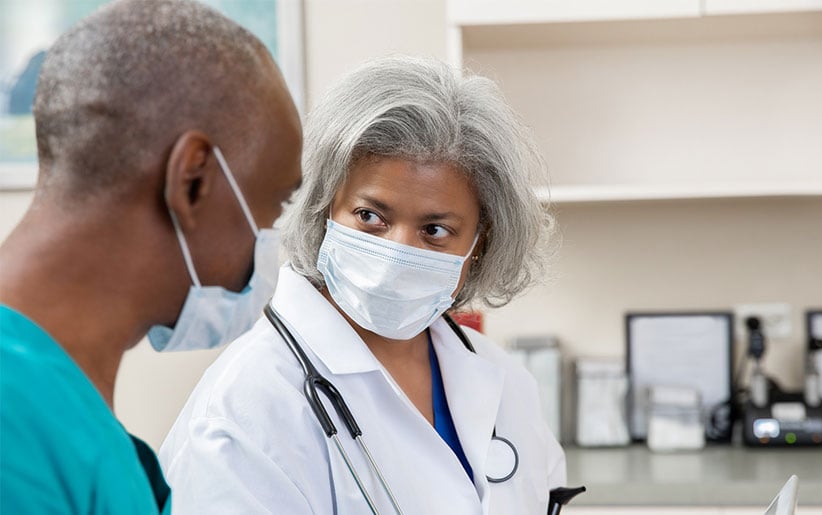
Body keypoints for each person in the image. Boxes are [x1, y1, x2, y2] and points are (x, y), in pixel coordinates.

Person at [161, 55, 565, 514]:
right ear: (323, 207)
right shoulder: (245, 408)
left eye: (435, 231)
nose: (396, 251)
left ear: (478, 243)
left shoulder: (505, 380)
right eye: (370, 216)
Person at [0, 0, 302, 513]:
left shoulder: (70, 418)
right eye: (275, 204)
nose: (272, 239)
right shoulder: (17, 428)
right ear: (193, 181)